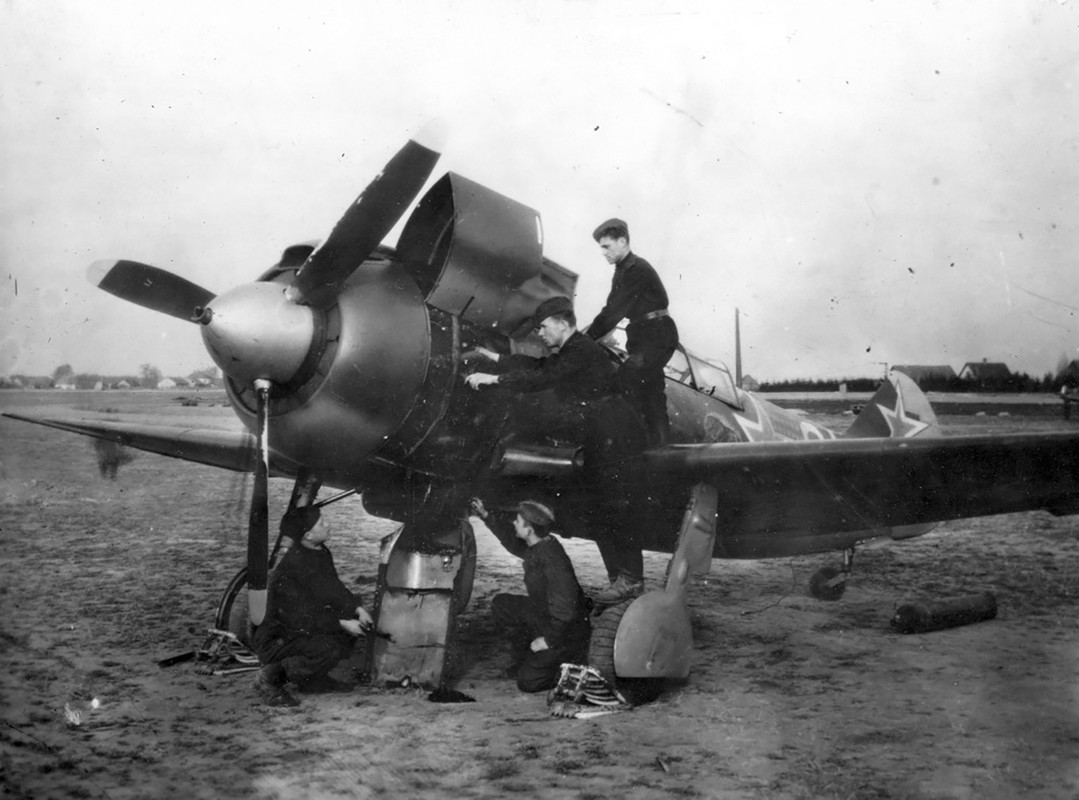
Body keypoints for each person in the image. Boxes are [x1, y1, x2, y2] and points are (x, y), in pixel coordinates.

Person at [465, 295, 648, 603]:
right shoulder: (571, 350)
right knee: (600, 507)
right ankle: (620, 580)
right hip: (601, 435)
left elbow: (543, 377)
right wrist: (495, 358)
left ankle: (630, 579)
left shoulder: (583, 350)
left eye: (544, 326)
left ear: (563, 325)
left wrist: (494, 378)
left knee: (617, 506)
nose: (540, 333)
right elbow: (539, 365)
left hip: (616, 436)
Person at [252, 506, 373, 707]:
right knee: (330, 648)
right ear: (308, 535)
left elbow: (334, 588)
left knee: (346, 628)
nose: (328, 524)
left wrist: (357, 610)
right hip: (277, 639)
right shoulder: (294, 565)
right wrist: (342, 624)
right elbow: (299, 618)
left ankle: (313, 681)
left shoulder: (319, 552)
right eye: (321, 522)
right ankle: (269, 677)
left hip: (300, 626)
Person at [474, 499, 592, 693]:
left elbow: (565, 609)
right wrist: (487, 517)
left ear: (529, 530)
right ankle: (528, 654)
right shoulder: (537, 545)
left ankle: (570, 666)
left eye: (518, 521)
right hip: (544, 613)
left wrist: (548, 641)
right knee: (502, 604)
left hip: (566, 632)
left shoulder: (552, 560)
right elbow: (511, 542)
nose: (514, 523)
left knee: (528, 682)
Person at [585, 218, 680, 446]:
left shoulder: (635, 269)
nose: (603, 252)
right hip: (643, 334)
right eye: (601, 247)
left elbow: (612, 312)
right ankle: (660, 450)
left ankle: (638, 448)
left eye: (606, 246)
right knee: (652, 393)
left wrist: (583, 341)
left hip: (656, 335)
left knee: (629, 380)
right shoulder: (622, 270)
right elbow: (610, 309)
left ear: (623, 241)